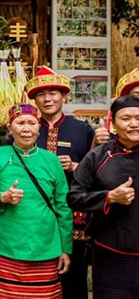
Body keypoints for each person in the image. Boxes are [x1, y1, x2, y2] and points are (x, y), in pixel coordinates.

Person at [27, 66, 109, 299]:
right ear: (35, 100)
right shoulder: (27, 128)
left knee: (74, 277)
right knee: (37, 274)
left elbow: (99, 170)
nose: (47, 99)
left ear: (64, 96)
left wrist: (76, 166)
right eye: (41, 94)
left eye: (53, 93)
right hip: (35, 213)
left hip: (74, 214)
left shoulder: (82, 129)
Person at [0, 103, 72, 299]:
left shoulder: (51, 160)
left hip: (45, 244)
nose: (26, 129)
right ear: (10, 128)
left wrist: (65, 249)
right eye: (20, 123)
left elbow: (63, 207)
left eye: (31, 123)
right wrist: (2, 197)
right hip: (7, 243)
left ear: (39, 128)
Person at [68, 95, 139, 298]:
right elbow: (74, 197)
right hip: (111, 254)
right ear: (113, 123)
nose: (134, 124)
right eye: (125, 118)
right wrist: (109, 197)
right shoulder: (97, 156)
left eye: (138, 118)